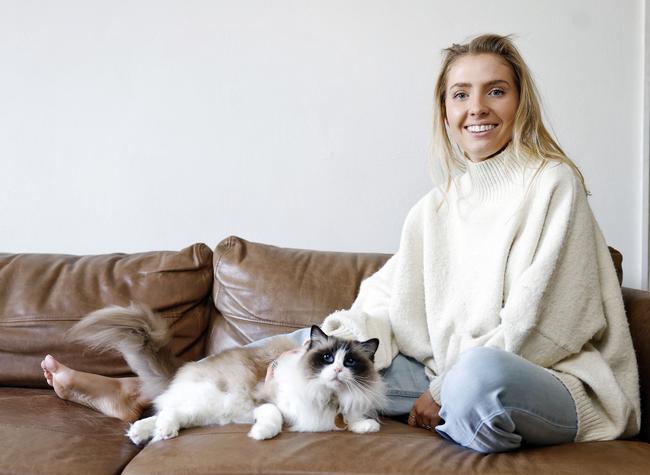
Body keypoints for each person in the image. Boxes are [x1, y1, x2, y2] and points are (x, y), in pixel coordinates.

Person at [42, 33, 640, 453]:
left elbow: (542, 322)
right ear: (444, 108)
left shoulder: (553, 184)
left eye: (495, 91)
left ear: (519, 101)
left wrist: (445, 386)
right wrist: (325, 340)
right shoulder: (434, 208)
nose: (476, 109)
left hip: (546, 381)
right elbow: (388, 298)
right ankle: (142, 393)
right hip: (440, 374)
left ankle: (466, 412)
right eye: (460, 94)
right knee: (312, 352)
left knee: (481, 379)